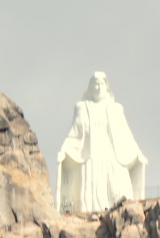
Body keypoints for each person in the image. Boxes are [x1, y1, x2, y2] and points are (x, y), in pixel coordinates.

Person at [56, 71, 147, 213]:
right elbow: (74, 133)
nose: (98, 87)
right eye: (95, 84)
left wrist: (137, 153)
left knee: (119, 187)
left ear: (106, 86)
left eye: (101, 84)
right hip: (90, 157)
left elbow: (125, 134)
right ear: (90, 87)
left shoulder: (116, 108)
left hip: (111, 154)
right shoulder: (81, 107)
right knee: (91, 189)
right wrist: (64, 151)